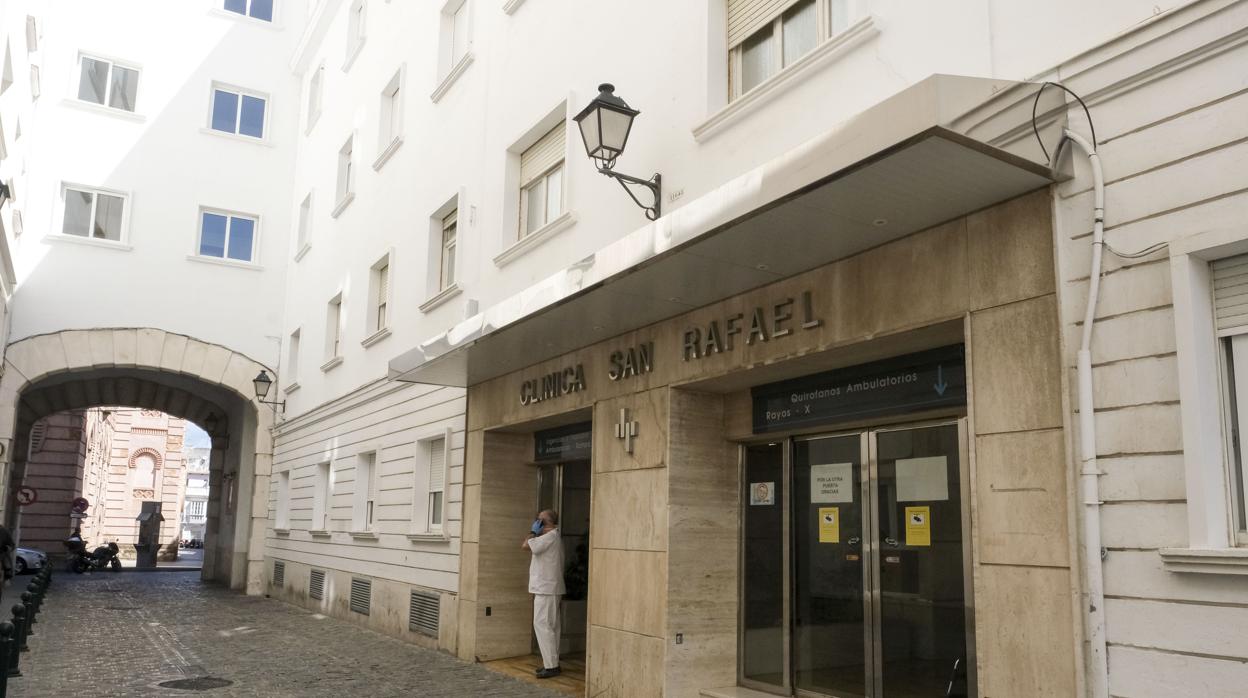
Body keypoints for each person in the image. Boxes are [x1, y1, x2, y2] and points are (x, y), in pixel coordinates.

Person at [522, 509, 565, 679]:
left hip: (546, 588)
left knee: (543, 625)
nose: (536, 522)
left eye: (539, 520)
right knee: (551, 626)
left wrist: (533, 531)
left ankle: (551, 665)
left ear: (545, 523)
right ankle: (552, 662)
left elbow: (525, 545)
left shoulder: (549, 537)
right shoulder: (552, 537)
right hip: (549, 588)